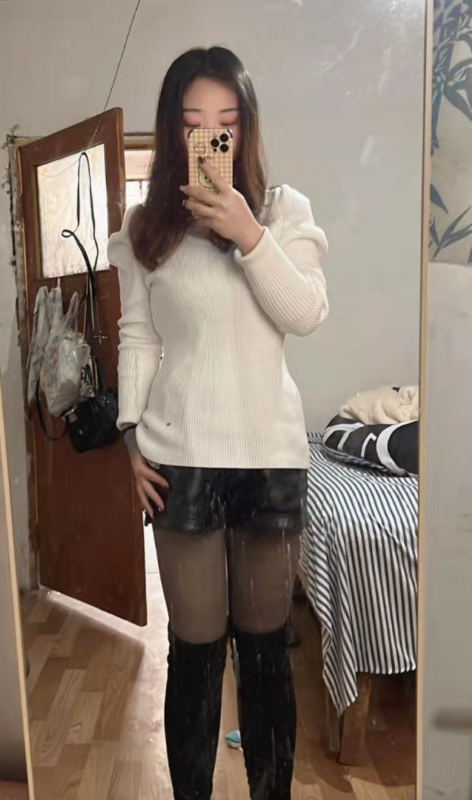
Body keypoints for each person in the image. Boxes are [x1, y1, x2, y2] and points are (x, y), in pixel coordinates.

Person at [107, 46, 328, 800]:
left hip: (269, 456)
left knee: (265, 655)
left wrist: (248, 233)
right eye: (193, 121)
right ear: (174, 132)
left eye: (226, 121)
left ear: (246, 128)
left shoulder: (284, 212)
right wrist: (129, 437)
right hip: (180, 457)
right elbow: (138, 337)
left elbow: (306, 314)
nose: (211, 134)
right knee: (195, 651)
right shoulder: (147, 228)